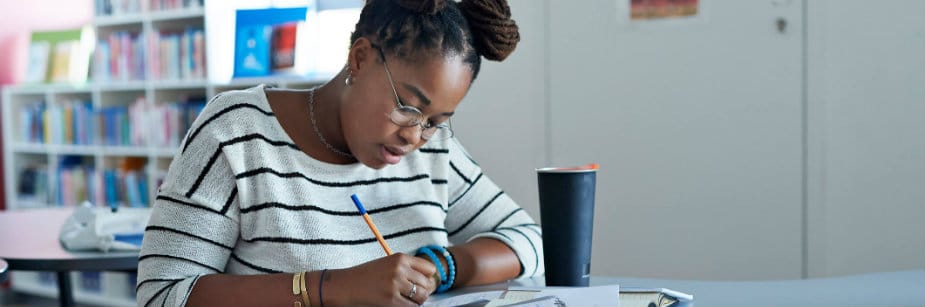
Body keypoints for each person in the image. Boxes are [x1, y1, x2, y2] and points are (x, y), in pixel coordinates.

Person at [136, 0, 543, 306]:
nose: (415, 136)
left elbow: (529, 242)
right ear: (360, 58)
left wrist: (439, 267)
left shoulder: (432, 150)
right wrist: (332, 287)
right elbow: (162, 294)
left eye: (436, 120)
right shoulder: (237, 131)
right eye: (409, 107)